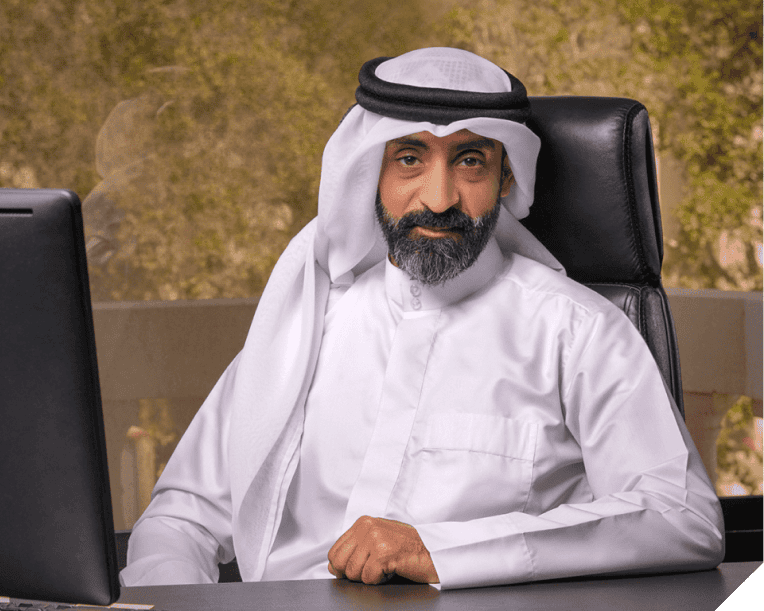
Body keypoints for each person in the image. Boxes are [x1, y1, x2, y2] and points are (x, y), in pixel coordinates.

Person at [120, 48, 724, 590]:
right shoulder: (303, 325)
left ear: (505, 177)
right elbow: (180, 519)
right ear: (368, 174)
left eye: (469, 162)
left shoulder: (577, 332)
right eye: (410, 160)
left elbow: (683, 518)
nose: (438, 198)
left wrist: (441, 550)